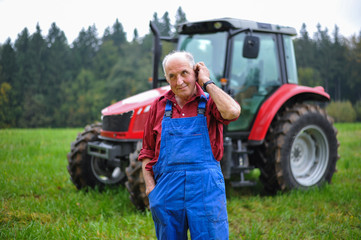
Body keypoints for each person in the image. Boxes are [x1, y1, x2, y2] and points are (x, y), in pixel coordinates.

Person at [138, 51, 241, 240]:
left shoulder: (210, 103)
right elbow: (147, 150)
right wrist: (150, 188)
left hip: (206, 190)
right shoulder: (158, 107)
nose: (179, 82)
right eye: (172, 76)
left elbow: (233, 111)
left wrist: (207, 82)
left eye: (184, 73)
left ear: (195, 73)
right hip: (167, 191)